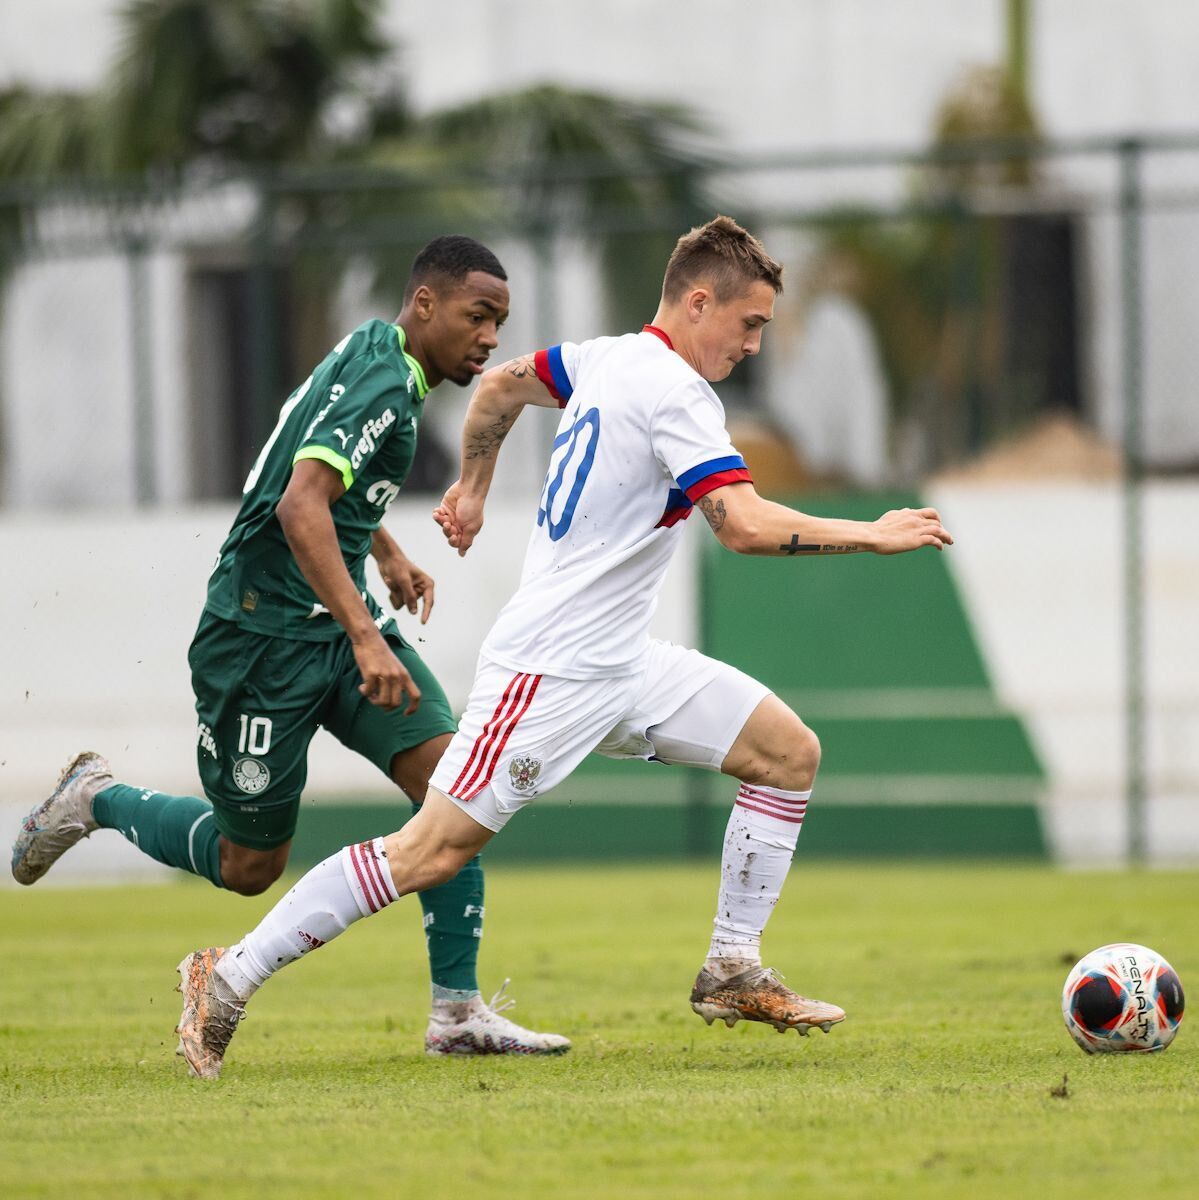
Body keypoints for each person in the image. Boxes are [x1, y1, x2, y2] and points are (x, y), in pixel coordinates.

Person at [167, 215, 953, 1079]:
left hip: (623, 660)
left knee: (786, 752)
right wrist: (872, 535)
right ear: (698, 302)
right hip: (549, 669)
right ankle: (226, 975)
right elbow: (742, 525)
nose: (755, 344)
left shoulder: (607, 356)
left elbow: (501, 386)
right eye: (749, 323)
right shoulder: (678, 393)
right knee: (431, 851)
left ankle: (731, 965)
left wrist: (472, 486)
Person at [10, 235, 568, 1061]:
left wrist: (382, 553)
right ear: (425, 304)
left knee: (454, 789)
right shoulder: (383, 376)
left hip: (332, 629)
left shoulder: (379, 357)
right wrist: (364, 633)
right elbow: (298, 508)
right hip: (259, 642)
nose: (490, 338)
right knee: (248, 865)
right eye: (477, 316)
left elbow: (315, 475)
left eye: (500, 322)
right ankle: (97, 799)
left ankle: (456, 1015)